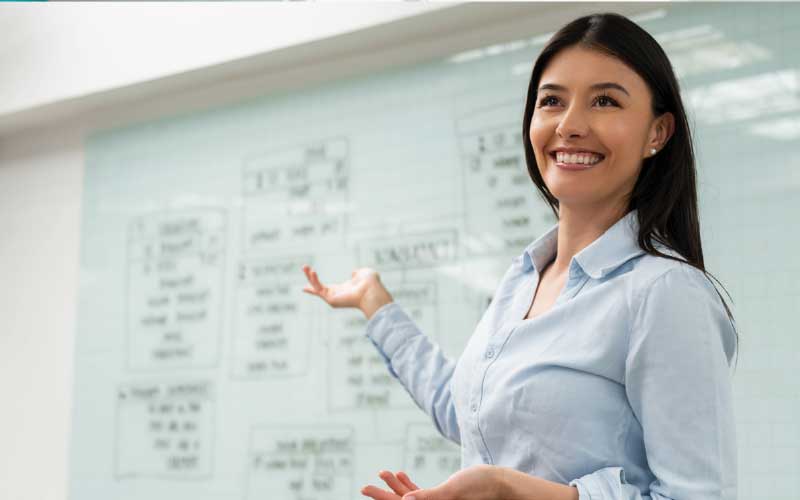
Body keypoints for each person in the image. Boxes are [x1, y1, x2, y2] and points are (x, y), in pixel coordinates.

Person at [301, 11, 739, 500]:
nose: (569, 125)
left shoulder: (665, 294)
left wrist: (509, 488)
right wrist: (375, 303)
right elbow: (466, 411)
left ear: (657, 132)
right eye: (552, 101)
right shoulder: (525, 279)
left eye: (605, 101)